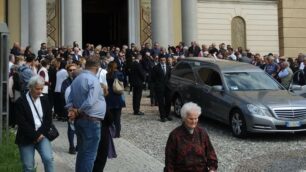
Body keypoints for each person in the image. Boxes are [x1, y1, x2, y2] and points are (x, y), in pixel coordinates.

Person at [66, 56, 106, 172]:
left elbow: (70, 99)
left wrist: (71, 110)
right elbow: (90, 101)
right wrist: (77, 111)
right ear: (97, 68)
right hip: (91, 120)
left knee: (82, 153)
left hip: (81, 120)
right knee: (89, 155)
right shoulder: (93, 80)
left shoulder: (77, 79)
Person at [15, 75, 54, 172]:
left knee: (48, 159)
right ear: (30, 87)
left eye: (41, 88)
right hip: (26, 137)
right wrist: (35, 135)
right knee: (28, 166)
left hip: (42, 135)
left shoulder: (44, 99)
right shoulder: (21, 101)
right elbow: (21, 123)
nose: (40, 91)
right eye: (37, 89)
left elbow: (48, 119)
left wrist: (40, 134)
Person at [164, 102, 218, 172]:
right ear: (184, 118)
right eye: (191, 119)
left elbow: (211, 156)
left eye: (196, 118)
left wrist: (212, 169)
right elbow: (169, 162)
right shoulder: (175, 136)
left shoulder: (202, 133)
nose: (194, 121)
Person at [61, 63, 78, 154]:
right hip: (69, 107)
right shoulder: (65, 82)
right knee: (71, 127)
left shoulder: (80, 80)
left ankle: (78, 145)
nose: (72, 72)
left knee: (79, 127)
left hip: (79, 108)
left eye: (74, 70)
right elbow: (63, 94)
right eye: (70, 70)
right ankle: (71, 146)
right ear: (68, 72)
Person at [151, 55, 172, 122]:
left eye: (164, 60)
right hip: (159, 87)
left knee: (168, 101)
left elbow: (169, 76)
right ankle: (162, 116)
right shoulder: (156, 68)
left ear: (165, 60)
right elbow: (153, 78)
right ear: (159, 60)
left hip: (167, 87)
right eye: (161, 60)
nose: (163, 61)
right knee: (161, 102)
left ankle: (167, 115)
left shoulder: (168, 67)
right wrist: (156, 86)